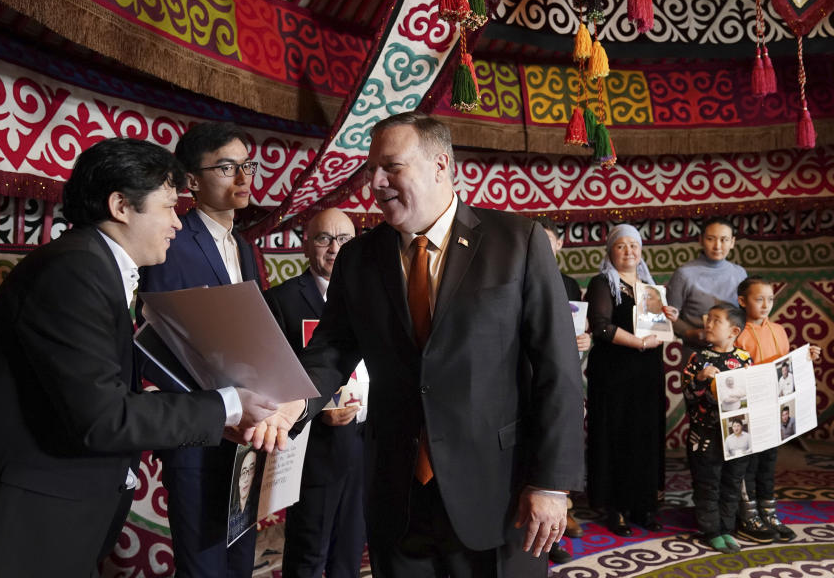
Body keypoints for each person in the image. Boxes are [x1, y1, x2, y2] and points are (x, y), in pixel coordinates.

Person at [0, 138, 281, 578]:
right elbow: (102, 417)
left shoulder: (94, 267)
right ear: (121, 205)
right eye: (167, 208)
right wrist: (229, 404)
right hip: (21, 530)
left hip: (54, 520)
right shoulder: (73, 272)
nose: (177, 225)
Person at [265, 112, 585, 578]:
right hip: (397, 492)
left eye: (391, 167)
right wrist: (289, 404)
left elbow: (558, 370)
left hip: (498, 492)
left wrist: (552, 483)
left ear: (440, 166)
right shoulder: (359, 257)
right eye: (371, 169)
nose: (374, 182)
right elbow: (331, 351)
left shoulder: (517, 242)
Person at [138, 122, 264, 577]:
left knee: (239, 559)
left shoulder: (245, 248)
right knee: (205, 565)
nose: (244, 177)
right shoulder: (172, 242)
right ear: (192, 181)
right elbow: (158, 339)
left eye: (247, 165)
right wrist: (213, 408)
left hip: (245, 432)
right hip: (199, 427)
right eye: (228, 167)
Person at [265, 208, 368, 578]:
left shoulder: (372, 294)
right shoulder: (282, 300)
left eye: (344, 239)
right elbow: (269, 375)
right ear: (306, 245)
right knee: (310, 552)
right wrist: (313, 406)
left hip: (366, 441)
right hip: (314, 448)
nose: (334, 249)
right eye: (324, 239)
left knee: (350, 552)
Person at [585, 224, 679, 536]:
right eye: (621, 246)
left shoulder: (650, 287)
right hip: (615, 375)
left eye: (634, 246)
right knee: (617, 437)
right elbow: (600, 327)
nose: (629, 252)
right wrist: (639, 343)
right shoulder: (602, 283)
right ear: (610, 251)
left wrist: (669, 318)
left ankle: (643, 505)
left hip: (647, 373)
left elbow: (657, 330)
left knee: (645, 436)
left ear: (641, 251)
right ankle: (617, 508)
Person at [734, 275, 821, 544]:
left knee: (769, 462)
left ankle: (768, 512)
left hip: (774, 411)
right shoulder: (738, 334)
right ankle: (747, 515)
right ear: (742, 301)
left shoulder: (780, 330)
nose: (765, 305)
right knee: (748, 463)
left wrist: (806, 357)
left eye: (770, 299)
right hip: (751, 413)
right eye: (758, 299)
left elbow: (786, 366)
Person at [536, 216, 591, 563]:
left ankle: (555, 531)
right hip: (529, 379)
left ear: (559, 245)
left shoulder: (569, 284)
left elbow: (575, 330)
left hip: (564, 377)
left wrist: (583, 342)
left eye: (548, 241)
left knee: (559, 452)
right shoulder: (512, 277)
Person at [681, 304, 753, 553]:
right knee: (707, 483)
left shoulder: (745, 360)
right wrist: (700, 380)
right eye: (707, 319)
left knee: (732, 482)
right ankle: (711, 530)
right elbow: (688, 395)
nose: (708, 324)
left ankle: (727, 527)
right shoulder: (698, 358)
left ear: (733, 330)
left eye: (715, 321)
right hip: (705, 435)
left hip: (737, 433)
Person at [667, 217, 747, 355]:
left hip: (732, 350)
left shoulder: (740, 273)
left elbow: (746, 313)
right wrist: (690, 333)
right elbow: (668, 316)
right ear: (701, 240)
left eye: (724, 240)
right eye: (711, 239)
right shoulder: (684, 274)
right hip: (695, 350)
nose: (717, 246)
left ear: (732, 242)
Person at [228, 447, 265, 545]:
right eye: (243, 472)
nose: (246, 479)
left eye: (251, 469)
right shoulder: (231, 512)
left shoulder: (254, 508)